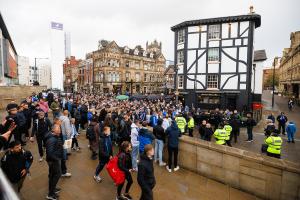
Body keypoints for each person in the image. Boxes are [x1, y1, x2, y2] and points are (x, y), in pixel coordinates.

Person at [45, 124, 64, 200]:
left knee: (53, 176)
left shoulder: (55, 137)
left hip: (54, 160)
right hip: (53, 161)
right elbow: (49, 153)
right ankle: (50, 194)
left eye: (60, 128)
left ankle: (53, 189)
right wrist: (57, 159)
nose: (60, 129)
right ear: (53, 130)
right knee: (56, 175)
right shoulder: (51, 140)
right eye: (58, 128)